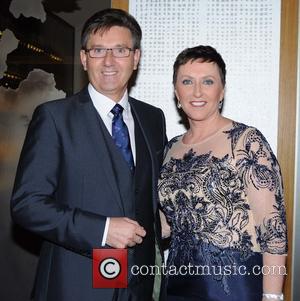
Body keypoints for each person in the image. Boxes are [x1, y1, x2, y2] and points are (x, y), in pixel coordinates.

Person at [11, 8, 167, 301]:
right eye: (98, 50)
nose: (109, 61)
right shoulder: (54, 117)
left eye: (120, 50)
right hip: (76, 284)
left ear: (136, 58)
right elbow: (26, 205)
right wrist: (103, 229)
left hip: (139, 285)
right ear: (84, 58)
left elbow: (145, 191)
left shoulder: (153, 118)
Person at [158, 45, 287, 301]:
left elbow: (273, 231)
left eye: (208, 81)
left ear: (222, 91)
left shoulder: (246, 141)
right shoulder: (170, 147)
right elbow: (164, 225)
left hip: (232, 286)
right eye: (187, 81)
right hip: (175, 283)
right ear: (176, 91)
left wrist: (272, 296)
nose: (197, 92)